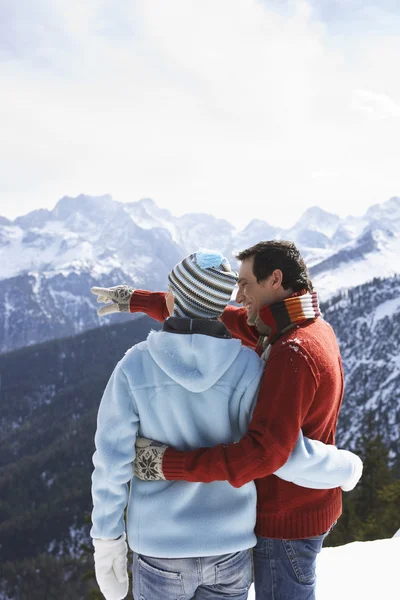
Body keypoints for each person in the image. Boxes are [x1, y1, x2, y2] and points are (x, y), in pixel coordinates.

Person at [91, 245, 362, 600]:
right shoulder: (253, 363)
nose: (240, 294)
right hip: (230, 547)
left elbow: (111, 463)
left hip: (162, 546)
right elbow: (212, 312)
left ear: (274, 279)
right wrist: (138, 299)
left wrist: (108, 539)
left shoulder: (134, 367)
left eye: (246, 284)